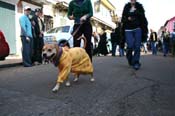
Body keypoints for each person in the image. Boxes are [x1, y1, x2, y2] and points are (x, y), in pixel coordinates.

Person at [121, 0, 148, 70]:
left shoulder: (139, 7)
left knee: (137, 46)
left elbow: (143, 18)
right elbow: (123, 18)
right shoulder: (126, 7)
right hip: (128, 29)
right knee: (130, 46)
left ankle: (136, 62)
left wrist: (136, 12)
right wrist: (127, 18)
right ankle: (130, 58)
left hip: (137, 29)